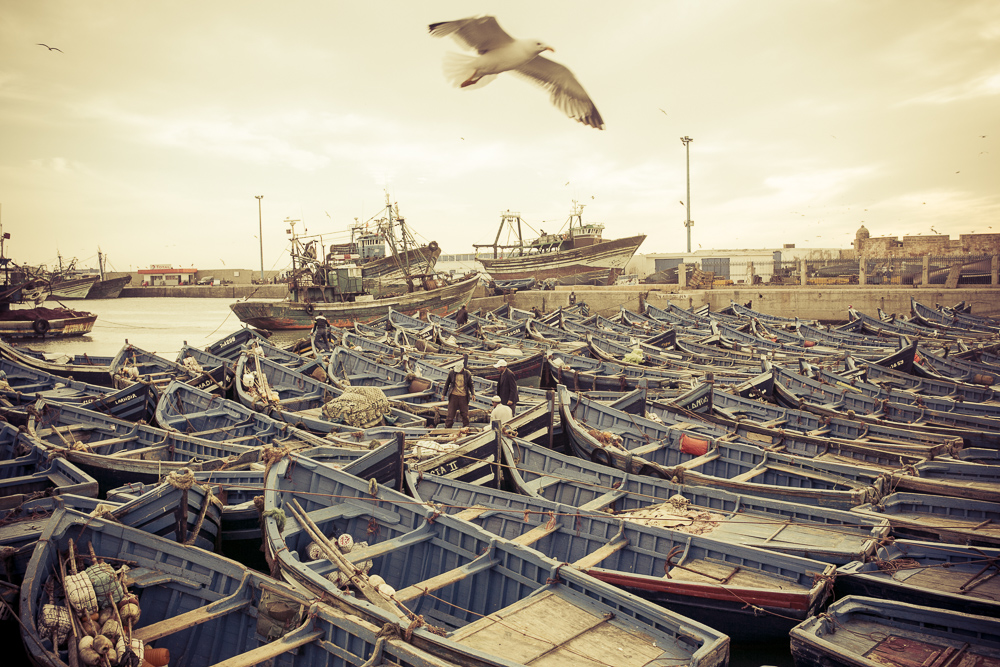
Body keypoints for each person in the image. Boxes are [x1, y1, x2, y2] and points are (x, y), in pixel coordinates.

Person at [443, 360, 475, 428]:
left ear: (462, 368)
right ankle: (448, 427)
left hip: (463, 396)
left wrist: (473, 394)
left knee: (465, 414)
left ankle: (466, 427)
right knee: (450, 414)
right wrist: (443, 394)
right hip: (453, 395)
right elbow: (447, 384)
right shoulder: (451, 372)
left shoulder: (467, 373)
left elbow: (471, 385)